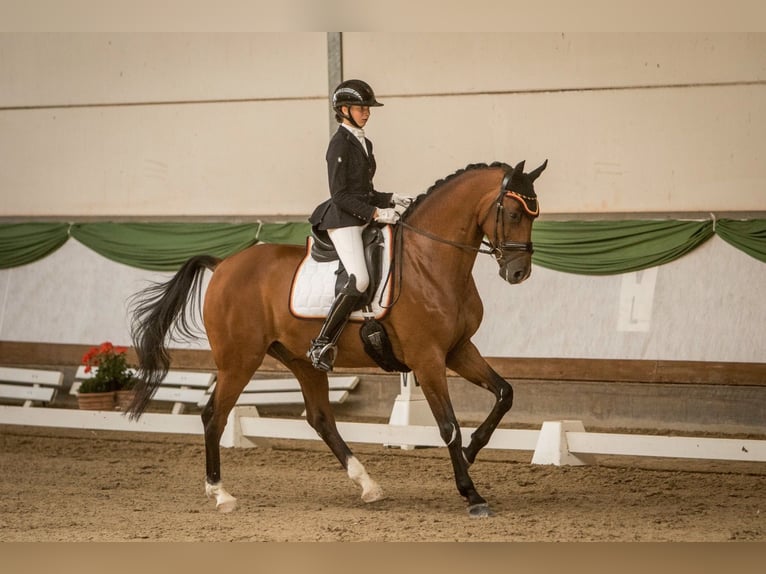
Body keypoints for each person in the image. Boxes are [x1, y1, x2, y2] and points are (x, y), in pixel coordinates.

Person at [307, 79, 411, 372]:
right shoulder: (339, 143)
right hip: (342, 220)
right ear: (343, 110)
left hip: (361, 212)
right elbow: (340, 195)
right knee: (360, 279)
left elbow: (365, 190)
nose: (366, 112)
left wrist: (391, 198)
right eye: (361, 107)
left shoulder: (364, 141)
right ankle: (322, 343)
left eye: (368, 108)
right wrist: (377, 213)